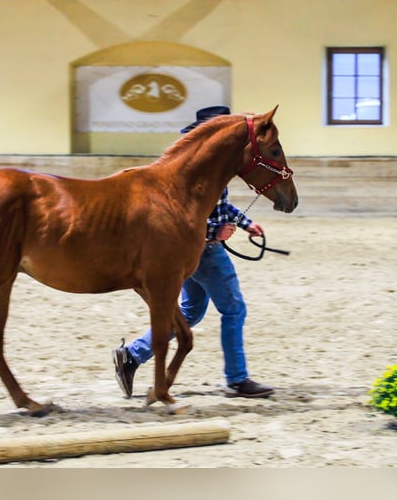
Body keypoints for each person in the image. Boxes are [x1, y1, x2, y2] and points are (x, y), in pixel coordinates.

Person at [112, 105, 275, 399]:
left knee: (189, 311)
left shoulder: (197, 161)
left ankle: (132, 355)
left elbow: (218, 205)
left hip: (188, 251)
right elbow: (186, 213)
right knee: (234, 308)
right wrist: (215, 232)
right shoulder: (204, 166)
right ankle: (237, 379)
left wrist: (246, 223)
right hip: (203, 250)